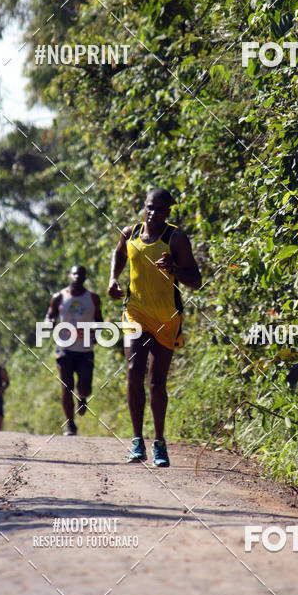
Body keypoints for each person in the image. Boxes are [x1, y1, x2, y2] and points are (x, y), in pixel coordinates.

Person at [108, 187, 201, 467]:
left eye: (160, 209)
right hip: (135, 312)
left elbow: (195, 280)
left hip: (167, 317)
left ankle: (159, 442)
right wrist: (113, 279)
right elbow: (120, 254)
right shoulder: (130, 233)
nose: (153, 213)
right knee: (134, 371)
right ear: (144, 207)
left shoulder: (177, 239)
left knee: (156, 383)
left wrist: (174, 270)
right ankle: (137, 442)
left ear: (168, 212)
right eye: (149, 207)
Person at [45, 264, 102, 436]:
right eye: (74, 274)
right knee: (66, 386)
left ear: (85, 278)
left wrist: (97, 334)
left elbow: (99, 320)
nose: (77, 277)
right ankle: (70, 424)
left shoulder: (92, 298)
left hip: (85, 349)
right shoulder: (59, 297)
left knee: (85, 386)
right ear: (69, 276)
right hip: (64, 348)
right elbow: (50, 314)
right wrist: (49, 322)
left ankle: (82, 397)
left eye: (81, 275)